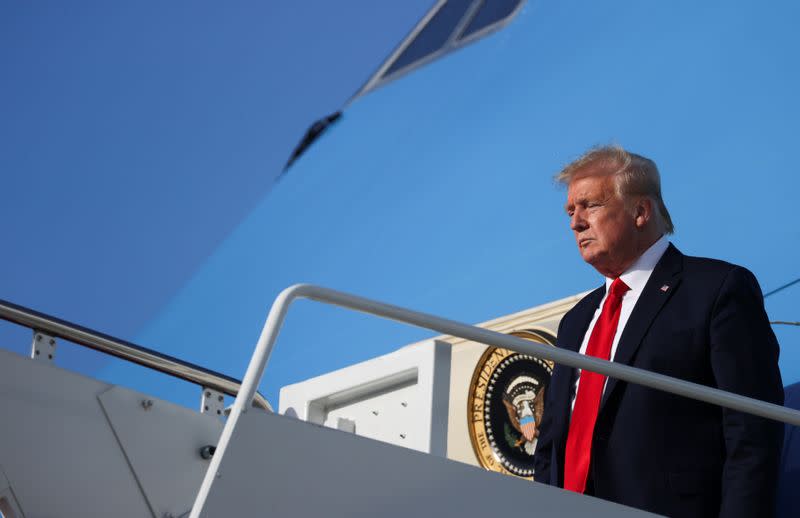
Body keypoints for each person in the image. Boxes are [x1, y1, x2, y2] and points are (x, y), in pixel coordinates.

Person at [532, 145, 784, 517]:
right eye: (571, 210)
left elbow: (752, 433)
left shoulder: (715, 290)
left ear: (640, 211)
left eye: (591, 205)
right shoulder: (576, 322)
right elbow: (551, 448)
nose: (576, 222)